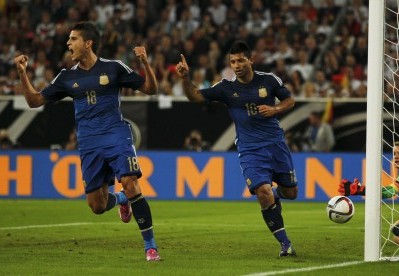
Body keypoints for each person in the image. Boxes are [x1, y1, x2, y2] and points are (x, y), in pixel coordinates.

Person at [14, 22, 161, 261]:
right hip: (89, 143)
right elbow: (34, 101)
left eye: (73, 39)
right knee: (97, 206)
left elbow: (150, 89)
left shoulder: (113, 68)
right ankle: (122, 199)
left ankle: (150, 247)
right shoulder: (67, 77)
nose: (68, 43)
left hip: (116, 135)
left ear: (88, 43)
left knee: (131, 182)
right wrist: (22, 74)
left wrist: (145, 63)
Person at [176, 41, 298, 257]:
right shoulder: (226, 88)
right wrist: (185, 78)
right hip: (250, 149)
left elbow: (290, 100)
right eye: (233, 61)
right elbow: (194, 96)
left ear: (251, 60)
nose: (237, 65)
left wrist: (275, 109)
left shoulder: (269, 80)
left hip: (275, 144)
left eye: (241, 60)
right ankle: (285, 244)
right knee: (262, 191)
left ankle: (276, 194)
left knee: (291, 193)